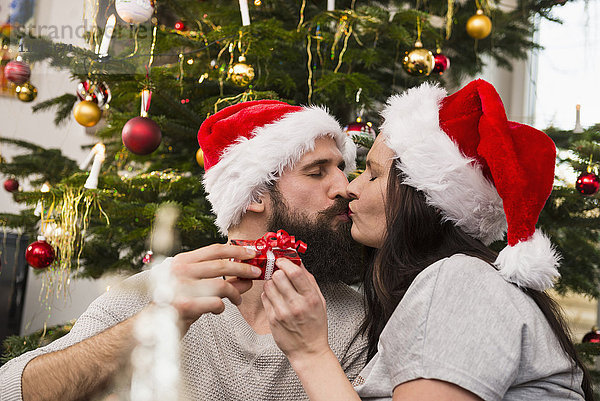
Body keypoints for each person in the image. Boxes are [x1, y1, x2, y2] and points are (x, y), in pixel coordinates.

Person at [0, 100, 368, 401]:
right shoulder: (160, 290)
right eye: (317, 172)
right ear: (255, 195)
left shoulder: (354, 319)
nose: (345, 187)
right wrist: (147, 326)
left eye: (342, 168)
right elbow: (12, 391)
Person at [262, 80, 594, 401]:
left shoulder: (459, 282)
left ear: (419, 196)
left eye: (374, 174)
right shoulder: (443, 286)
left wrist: (311, 353)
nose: (351, 187)